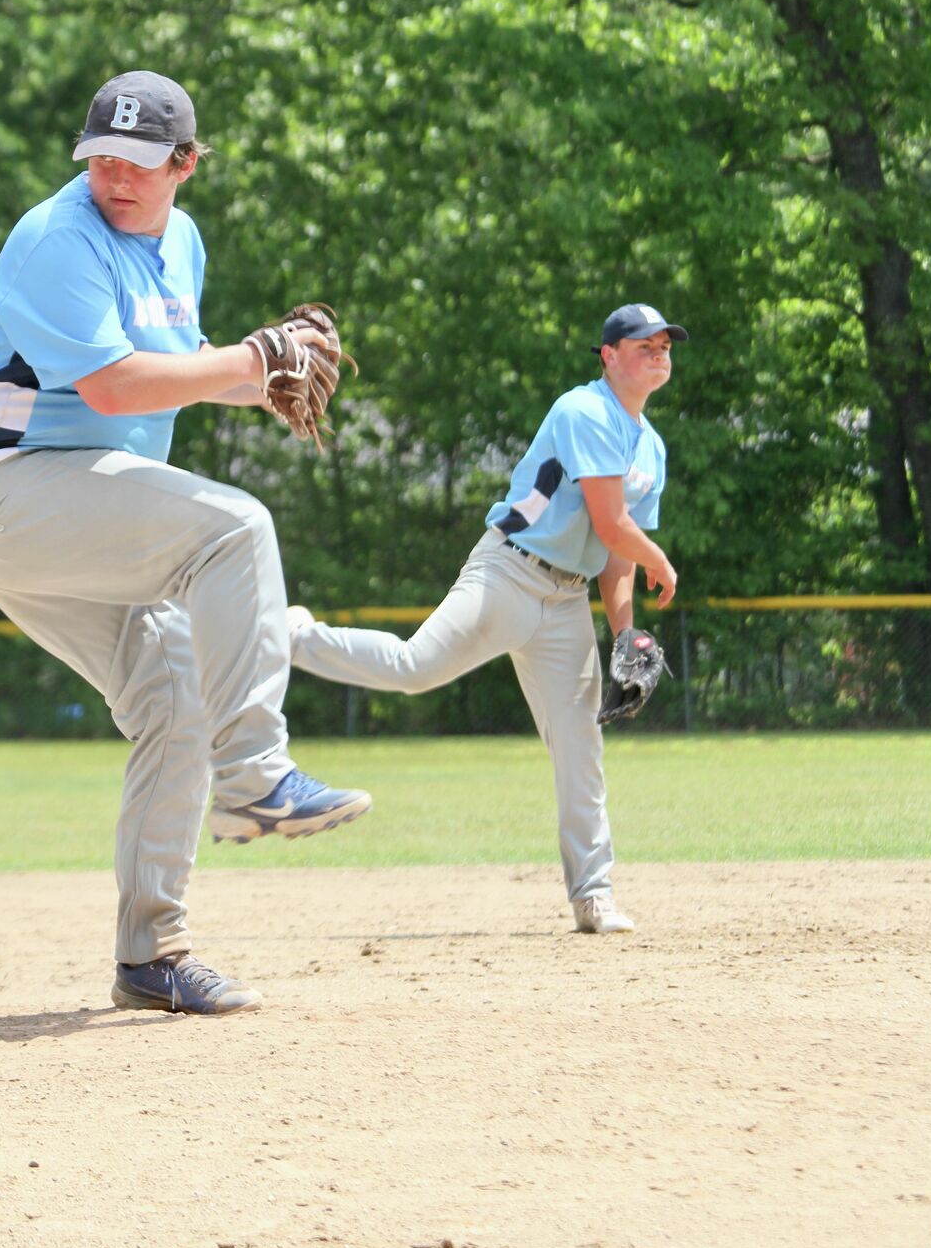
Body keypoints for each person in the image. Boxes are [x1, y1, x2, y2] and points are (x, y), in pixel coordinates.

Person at [0, 71, 372, 1016]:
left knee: (174, 702)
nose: (117, 178)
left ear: (187, 165)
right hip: (4, 488)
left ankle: (151, 954)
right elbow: (117, 390)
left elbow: (181, 371)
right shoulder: (57, 240)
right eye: (103, 159)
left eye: (141, 163)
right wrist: (252, 360)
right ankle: (256, 775)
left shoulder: (182, 244)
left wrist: (261, 382)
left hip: (79, 507)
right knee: (236, 526)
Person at [287, 303, 684, 933]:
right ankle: (295, 637)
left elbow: (614, 555)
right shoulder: (585, 410)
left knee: (581, 745)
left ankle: (594, 893)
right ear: (608, 356)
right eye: (642, 343)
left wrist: (625, 631)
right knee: (413, 666)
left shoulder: (652, 449)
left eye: (664, 344)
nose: (658, 351)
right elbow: (616, 525)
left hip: (564, 602)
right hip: (509, 572)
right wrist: (661, 558)